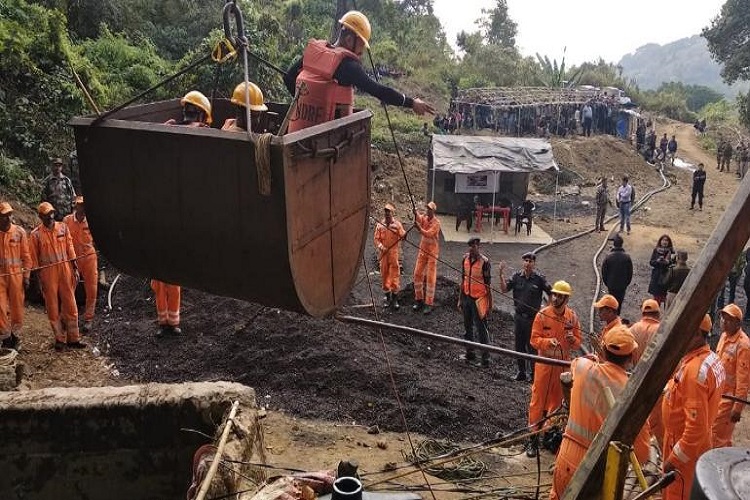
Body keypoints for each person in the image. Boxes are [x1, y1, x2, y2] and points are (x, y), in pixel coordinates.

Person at [284, 11, 434, 133]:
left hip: (296, 132)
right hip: (323, 141)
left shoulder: (316, 52)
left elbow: (289, 78)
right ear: (349, 40)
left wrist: (308, 105)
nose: (362, 52)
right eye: (362, 44)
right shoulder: (348, 66)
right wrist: (411, 102)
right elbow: (379, 91)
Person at [549, 325, 650, 500]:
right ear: (632, 356)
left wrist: (597, 360)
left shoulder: (582, 368)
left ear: (603, 349)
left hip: (566, 457)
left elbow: (577, 363)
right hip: (597, 471)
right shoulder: (631, 394)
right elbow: (641, 453)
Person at [662, 314, 725, 500]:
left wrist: (674, 460)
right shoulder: (710, 359)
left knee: (677, 494)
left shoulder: (694, 371)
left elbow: (695, 429)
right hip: (696, 447)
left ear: (697, 334)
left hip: (684, 452)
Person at [527, 280, 582, 457]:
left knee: (556, 404)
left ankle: (549, 436)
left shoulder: (572, 318)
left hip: (562, 366)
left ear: (566, 299)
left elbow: (578, 342)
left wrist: (572, 340)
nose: (555, 298)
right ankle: (533, 439)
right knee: (537, 401)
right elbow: (533, 339)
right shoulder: (542, 315)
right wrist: (546, 342)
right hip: (544, 364)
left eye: (559, 295)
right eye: (554, 294)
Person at [29, 202, 84, 351]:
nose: (50, 217)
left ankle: (74, 338)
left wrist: (75, 267)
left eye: (52, 213)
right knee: (52, 307)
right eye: (47, 215)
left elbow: (70, 247)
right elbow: (34, 259)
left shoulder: (63, 228)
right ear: (41, 216)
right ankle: (60, 339)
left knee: (71, 304)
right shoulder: (35, 235)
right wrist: (38, 280)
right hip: (48, 273)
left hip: (65, 269)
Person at [499, 252, 552, 381]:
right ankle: (521, 372)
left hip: (533, 319)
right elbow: (504, 289)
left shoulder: (539, 279)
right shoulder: (516, 276)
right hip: (519, 317)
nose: (528, 263)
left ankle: (533, 374)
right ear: (523, 262)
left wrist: (547, 309)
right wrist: (500, 274)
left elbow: (551, 292)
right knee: (519, 345)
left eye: (530, 261)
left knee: (532, 346)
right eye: (526, 261)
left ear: (534, 264)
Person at [711, 304, 750, 448]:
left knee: (717, 437)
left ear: (738, 323)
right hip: (717, 395)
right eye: (723, 318)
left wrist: (737, 407)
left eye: (729, 320)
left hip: (728, 401)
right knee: (716, 435)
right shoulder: (723, 337)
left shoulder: (743, 345)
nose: (724, 322)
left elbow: (743, 381)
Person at [629, 299, 664, 449]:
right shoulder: (662, 330)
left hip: (637, 379)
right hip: (657, 383)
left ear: (643, 312)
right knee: (658, 421)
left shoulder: (633, 329)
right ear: (658, 314)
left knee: (638, 418)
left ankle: (639, 448)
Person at [63, 196, 98, 333]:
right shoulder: (67, 221)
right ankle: (68, 318)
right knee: (68, 288)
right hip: (72, 259)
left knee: (91, 289)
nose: (82, 208)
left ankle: (88, 319)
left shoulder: (92, 221)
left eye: (84, 205)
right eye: (80, 205)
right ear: (75, 206)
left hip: (89, 257)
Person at [0, 202, 31, 350]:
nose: (7, 218)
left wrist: (26, 276)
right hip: (0, 277)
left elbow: (27, 257)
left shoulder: (19, 232)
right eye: (4, 216)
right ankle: (6, 338)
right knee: (0, 308)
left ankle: (16, 335)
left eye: (9, 215)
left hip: (16, 275)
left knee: (17, 308)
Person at [458, 237, 491, 367]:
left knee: (482, 329)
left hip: (479, 299)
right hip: (467, 297)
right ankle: (469, 352)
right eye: (471, 246)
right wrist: (460, 299)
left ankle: (485, 359)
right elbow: (463, 279)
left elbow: (488, 285)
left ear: (479, 247)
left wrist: (489, 304)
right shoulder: (465, 259)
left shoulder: (485, 262)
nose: (473, 248)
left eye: (475, 246)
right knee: (467, 327)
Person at [374, 203, 406, 310]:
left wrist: (404, 235)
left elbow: (403, 236)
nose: (387, 213)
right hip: (383, 253)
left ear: (392, 213)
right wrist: (381, 246)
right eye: (386, 211)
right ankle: (387, 297)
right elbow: (376, 239)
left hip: (393, 253)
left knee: (395, 275)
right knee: (384, 274)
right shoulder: (380, 225)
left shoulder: (397, 225)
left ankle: (395, 298)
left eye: (389, 212)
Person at [412, 201, 441, 314]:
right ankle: (419, 299)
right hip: (423, 251)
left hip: (432, 253)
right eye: (427, 208)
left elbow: (429, 233)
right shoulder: (424, 218)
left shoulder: (437, 223)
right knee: (417, 273)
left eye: (430, 209)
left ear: (433, 211)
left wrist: (419, 229)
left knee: (430, 277)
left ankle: (429, 303)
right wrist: (415, 213)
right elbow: (419, 219)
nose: (428, 210)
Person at [600, 234, 632, 315]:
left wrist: (607, 283)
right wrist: (626, 283)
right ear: (622, 244)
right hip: (622, 286)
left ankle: (611, 318)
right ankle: (617, 317)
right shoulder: (627, 257)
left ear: (613, 244)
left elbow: (604, 272)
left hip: (611, 285)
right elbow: (630, 273)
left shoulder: (608, 257)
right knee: (619, 303)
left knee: (611, 303)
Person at [41, 157, 76, 221]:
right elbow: (44, 200)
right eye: (55, 165)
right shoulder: (47, 181)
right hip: (53, 216)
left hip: (67, 215)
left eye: (59, 165)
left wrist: (73, 211)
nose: (57, 167)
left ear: (62, 167)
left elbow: (73, 196)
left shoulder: (66, 180)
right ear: (52, 166)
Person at [648, 234, 675, 305]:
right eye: (663, 240)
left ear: (669, 242)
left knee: (667, 300)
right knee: (656, 299)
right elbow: (651, 262)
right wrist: (657, 261)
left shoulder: (672, 252)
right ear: (660, 241)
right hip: (656, 278)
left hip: (667, 278)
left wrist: (668, 262)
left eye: (666, 240)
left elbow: (674, 265)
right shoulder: (656, 250)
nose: (664, 242)